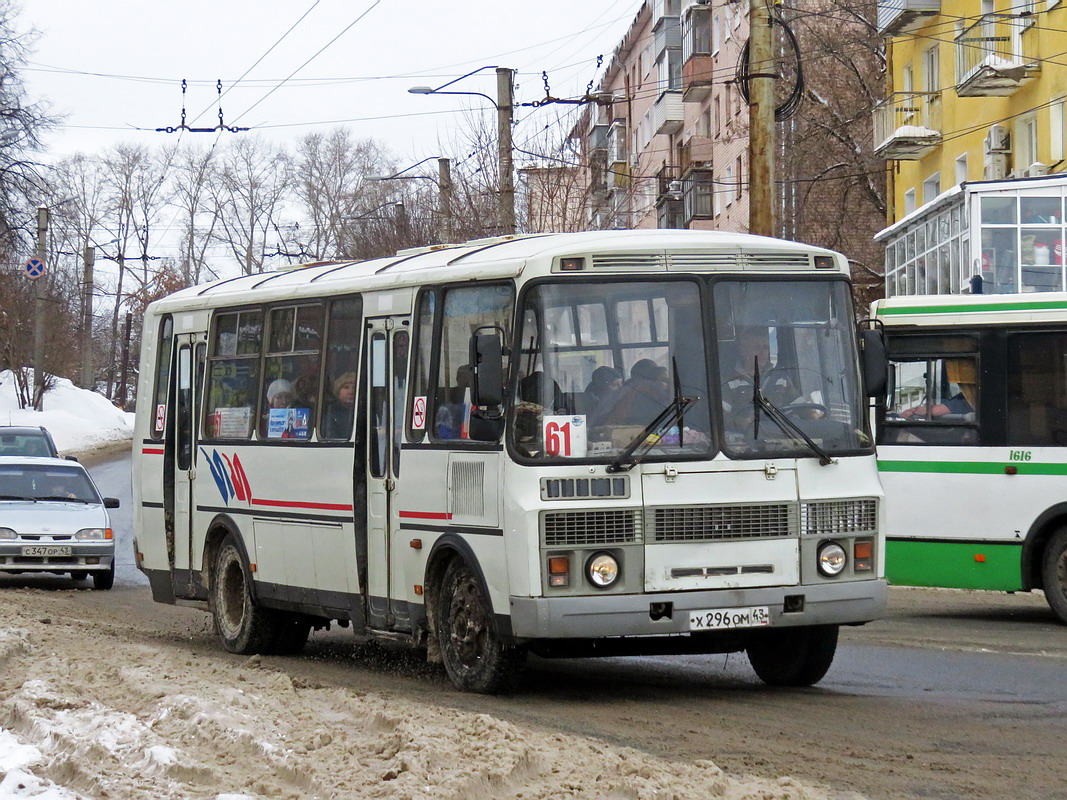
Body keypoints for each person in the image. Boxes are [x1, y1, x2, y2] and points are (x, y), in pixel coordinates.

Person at [595, 359, 670, 426]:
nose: (669, 384)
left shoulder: (631, 391)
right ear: (649, 379)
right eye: (663, 380)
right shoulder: (642, 397)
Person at [323, 371, 356, 439]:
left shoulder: (365, 412)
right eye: (346, 387)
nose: (351, 391)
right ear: (338, 391)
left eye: (354, 387)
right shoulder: (331, 411)